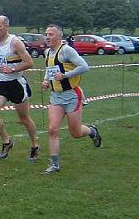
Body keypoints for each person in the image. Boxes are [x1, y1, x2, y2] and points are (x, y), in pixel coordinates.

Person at [40, 23, 101, 174]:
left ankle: (92, 131)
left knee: (75, 133)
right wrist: (46, 80)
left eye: (51, 34)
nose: (48, 37)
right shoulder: (47, 52)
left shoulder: (67, 50)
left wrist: (65, 76)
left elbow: (84, 66)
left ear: (59, 35)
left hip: (72, 95)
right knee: (52, 129)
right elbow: (49, 70)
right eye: (46, 34)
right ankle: (54, 164)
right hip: (56, 96)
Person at [0, 15, 39, 161]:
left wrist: (13, 69)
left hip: (16, 84)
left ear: (6, 27)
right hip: (0, 84)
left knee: (24, 119)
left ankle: (35, 145)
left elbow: (29, 63)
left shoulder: (15, 42)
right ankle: (7, 142)